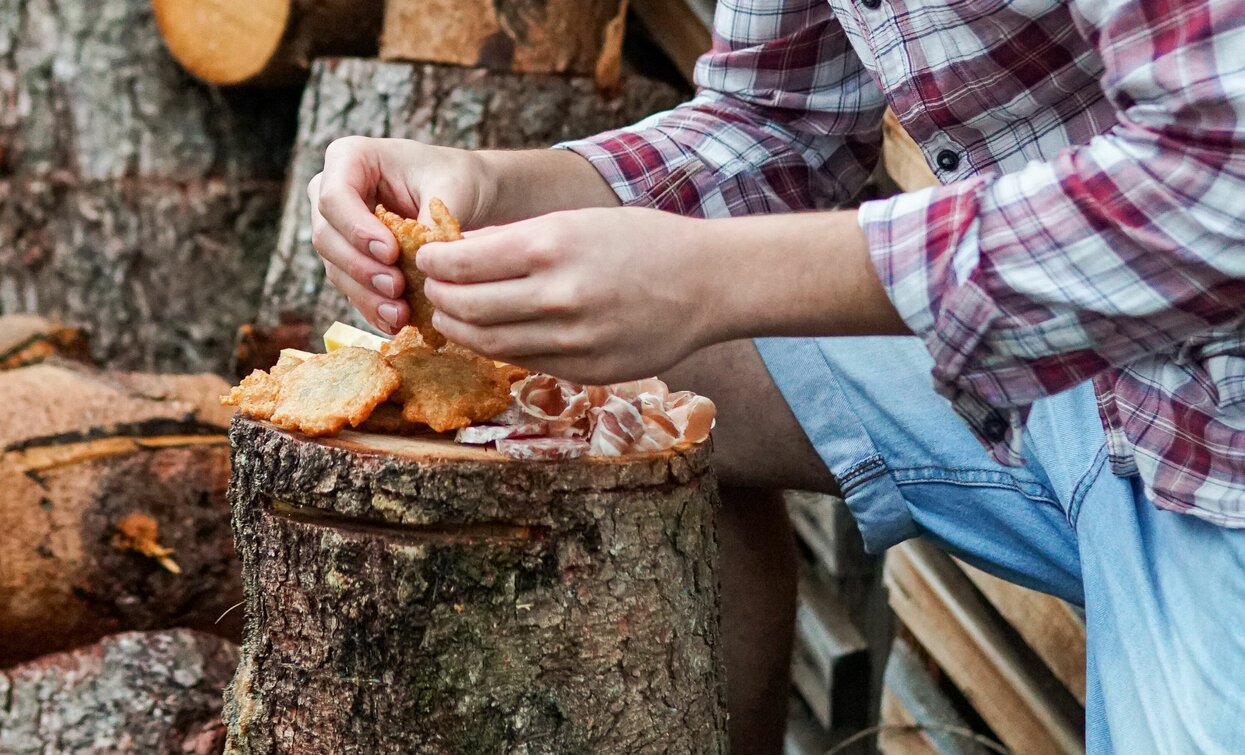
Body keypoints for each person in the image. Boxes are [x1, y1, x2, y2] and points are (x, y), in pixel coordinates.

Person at [307, 0, 1245, 751]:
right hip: (1084, 376)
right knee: (606, 395)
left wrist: (711, 280)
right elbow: (780, 121)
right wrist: (489, 185)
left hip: (1219, 441)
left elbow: (1216, 183)